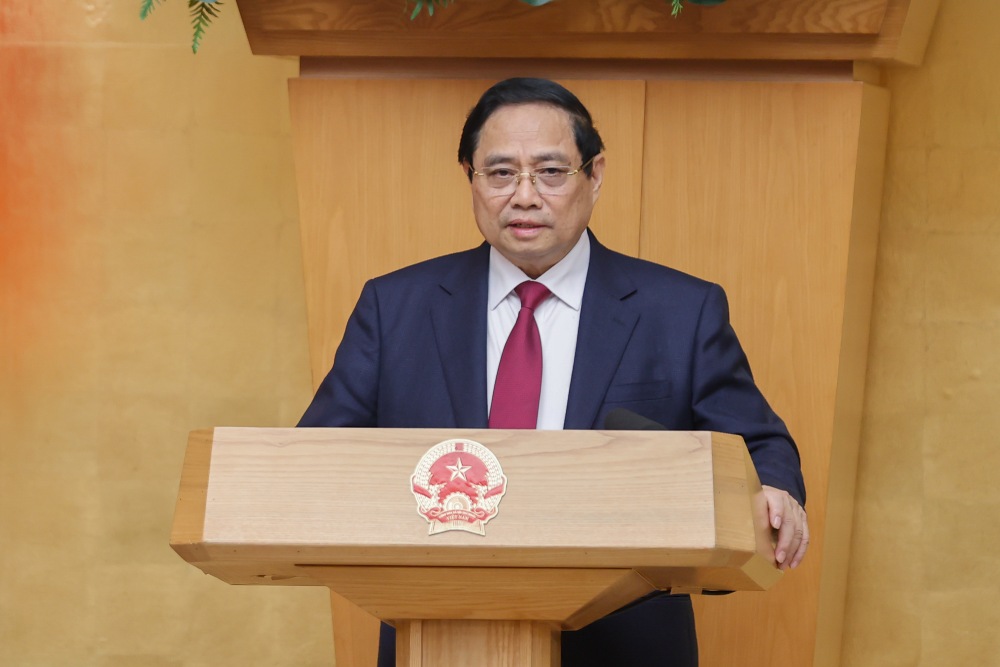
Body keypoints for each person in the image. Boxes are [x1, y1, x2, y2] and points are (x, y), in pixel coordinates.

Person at [299, 77, 808, 667]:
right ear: (470, 177)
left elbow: (760, 443)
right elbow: (318, 460)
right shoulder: (396, 307)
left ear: (594, 176)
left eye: (550, 172)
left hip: (625, 643)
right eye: (499, 173)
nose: (524, 196)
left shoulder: (679, 311)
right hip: (438, 633)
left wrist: (775, 490)